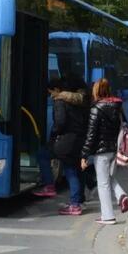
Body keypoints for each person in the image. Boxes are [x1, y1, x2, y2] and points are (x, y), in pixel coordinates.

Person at [80, 78, 128, 225]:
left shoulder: (96, 109)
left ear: (96, 91)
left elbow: (91, 135)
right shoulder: (118, 106)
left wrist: (84, 155)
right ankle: (121, 195)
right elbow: (124, 126)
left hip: (101, 152)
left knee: (103, 184)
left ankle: (107, 216)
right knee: (108, 178)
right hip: (115, 150)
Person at [41, 78, 88, 215]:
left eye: (51, 93)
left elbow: (60, 123)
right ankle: (78, 200)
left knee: (44, 155)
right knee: (76, 170)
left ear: (57, 90)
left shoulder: (60, 102)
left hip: (66, 141)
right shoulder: (79, 101)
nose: (51, 96)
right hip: (79, 140)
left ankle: (51, 187)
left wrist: (54, 135)